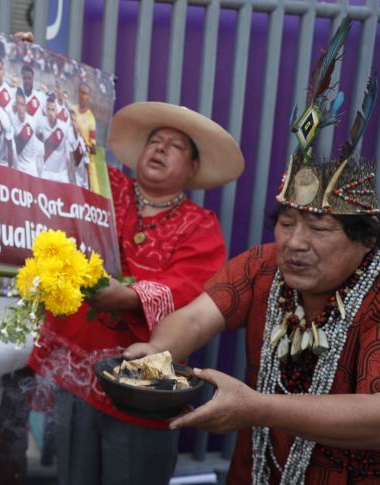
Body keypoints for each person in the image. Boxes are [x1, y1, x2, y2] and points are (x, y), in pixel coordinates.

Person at [124, 19, 380, 485]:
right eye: (286, 223)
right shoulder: (262, 264)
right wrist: (154, 353)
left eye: (319, 228)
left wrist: (257, 407)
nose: (294, 243)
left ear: (365, 240)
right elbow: (194, 318)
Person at [27, 102, 245, 485]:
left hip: (146, 384)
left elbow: (193, 288)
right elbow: (56, 153)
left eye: (174, 146)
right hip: (77, 369)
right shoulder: (105, 187)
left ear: (192, 168)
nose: (160, 148)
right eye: (154, 141)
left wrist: (129, 296)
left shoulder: (200, 225)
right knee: (74, 476)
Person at [38, 94, 82, 184]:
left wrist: (75, 131)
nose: (51, 113)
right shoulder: (40, 123)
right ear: (45, 111)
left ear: (57, 111)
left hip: (61, 174)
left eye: (53, 110)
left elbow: (73, 145)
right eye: (49, 110)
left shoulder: (64, 127)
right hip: (46, 172)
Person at [10, 87, 45, 178]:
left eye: (22, 104)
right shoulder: (12, 121)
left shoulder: (33, 121)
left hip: (31, 167)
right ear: (15, 106)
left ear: (25, 106)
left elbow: (42, 135)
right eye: (18, 104)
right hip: (19, 166)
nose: (20, 107)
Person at [73, 82, 98, 192]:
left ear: (88, 97)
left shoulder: (91, 119)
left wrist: (88, 146)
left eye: (85, 94)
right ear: (78, 93)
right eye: (81, 92)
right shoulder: (72, 110)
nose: (82, 96)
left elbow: (93, 148)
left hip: (84, 158)